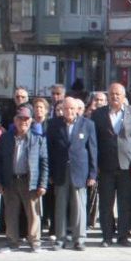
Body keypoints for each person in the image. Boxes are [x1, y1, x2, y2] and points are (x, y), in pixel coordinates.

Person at [90, 82, 131, 246]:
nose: (114, 97)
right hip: (105, 166)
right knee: (106, 204)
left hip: (127, 166)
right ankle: (107, 236)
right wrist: (95, 165)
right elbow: (93, 141)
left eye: (118, 94)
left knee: (125, 203)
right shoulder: (98, 114)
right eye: (112, 94)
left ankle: (123, 236)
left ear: (124, 96)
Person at [0, 105, 49, 253]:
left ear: (31, 121)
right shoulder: (5, 138)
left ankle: (35, 242)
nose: (23, 121)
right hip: (10, 180)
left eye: (26, 119)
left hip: (30, 181)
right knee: (11, 213)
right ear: (15, 120)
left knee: (33, 213)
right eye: (20, 118)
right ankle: (12, 242)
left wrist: (42, 184)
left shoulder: (38, 139)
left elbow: (44, 162)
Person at [47, 96, 98, 251]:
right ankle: (60, 239)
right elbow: (49, 150)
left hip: (80, 171)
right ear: (62, 109)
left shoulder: (87, 124)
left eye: (72, 108)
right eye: (66, 108)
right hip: (60, 170)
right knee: (60, 206)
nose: (69, 111)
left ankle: (79, 239)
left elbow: (92, 150)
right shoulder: (54, 124)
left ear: (77, 110)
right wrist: (50, 173)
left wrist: (92, 174)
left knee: (79, 206)